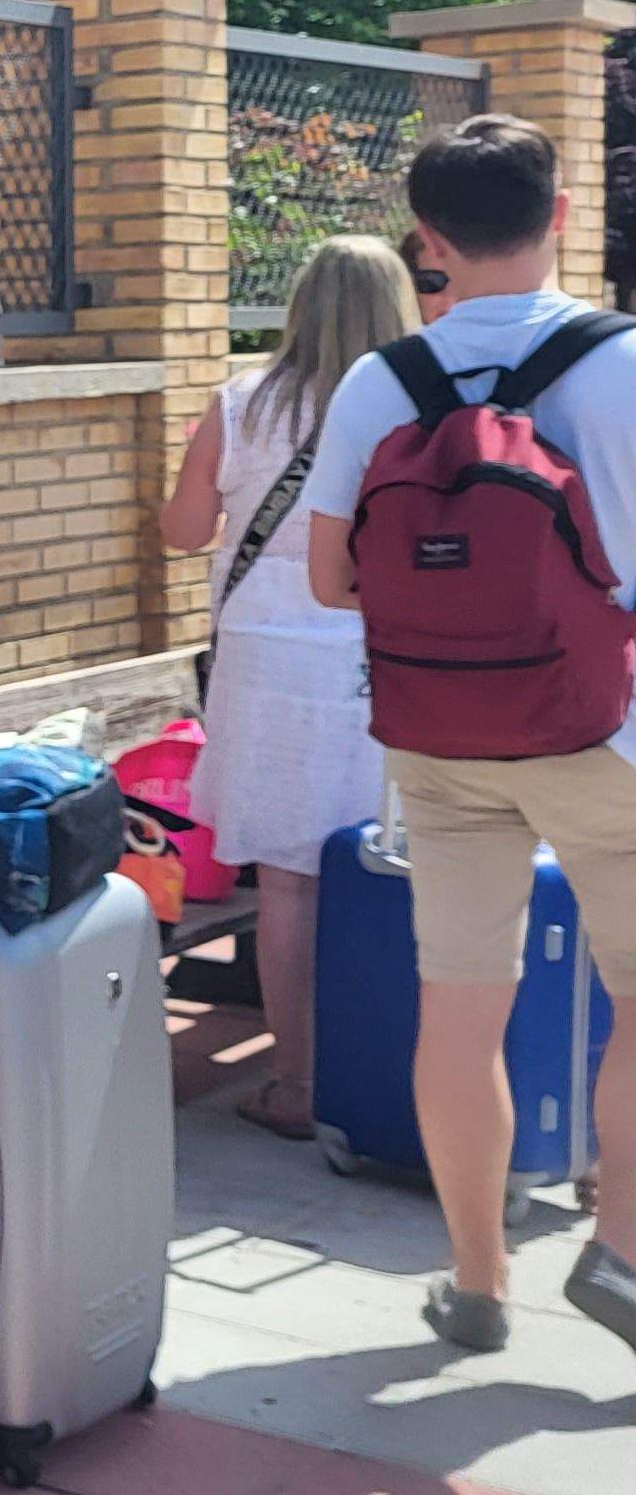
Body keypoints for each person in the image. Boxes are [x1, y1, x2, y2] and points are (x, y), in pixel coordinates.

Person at [301, 113, 636, 1359]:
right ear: (561, 216)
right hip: (609, 738)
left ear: (426, 239)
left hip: (439, 742)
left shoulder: (379, 382)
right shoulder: (625, 365)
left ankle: (476, 1281)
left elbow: (331, 579)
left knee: (459, 1009)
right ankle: (620, 1256)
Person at [159, 234, 421, 1140]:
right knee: (393, 867)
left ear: (300, 304)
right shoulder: (416, 410)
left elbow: (183, 531)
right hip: (386, 659)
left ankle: (298, 1085)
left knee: (290, 883)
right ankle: (395, 1068)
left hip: (267, 665)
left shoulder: (240, 404)